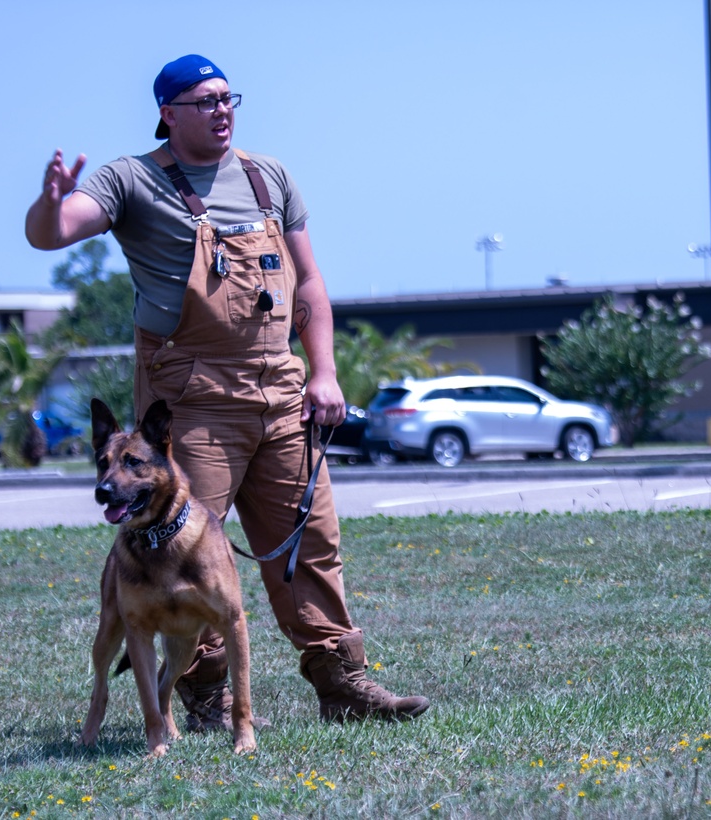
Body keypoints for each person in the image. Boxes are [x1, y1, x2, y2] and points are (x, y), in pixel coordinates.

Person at [25, 54, 429, 727]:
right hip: (192, 398)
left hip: (279, 388)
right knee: (183, 540)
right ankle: (207, 692)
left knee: (311, 542)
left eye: (226, 97)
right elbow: (53, 233)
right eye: (202, 100)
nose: (220, 110)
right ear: (166, 112)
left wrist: (323, 372)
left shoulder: (267, 177)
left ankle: (342, 684)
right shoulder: (131, 180)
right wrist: (49, 199)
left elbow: (309, 285)